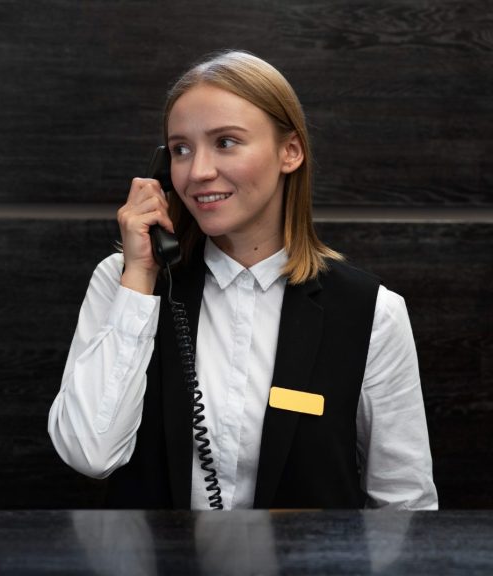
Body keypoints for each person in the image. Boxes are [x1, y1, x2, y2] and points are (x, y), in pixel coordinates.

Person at [48, 50, 438, 510]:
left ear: (289, 152)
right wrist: (140, 277)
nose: (198, 172)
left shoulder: (371, 311)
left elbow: (404, 504)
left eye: (226, 142)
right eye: (180, 149)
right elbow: (89, 455)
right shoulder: (124, 283)